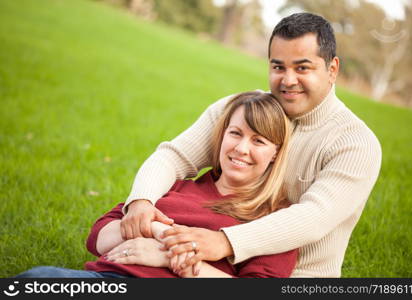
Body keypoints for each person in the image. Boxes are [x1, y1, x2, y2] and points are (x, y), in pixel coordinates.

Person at [120, 13, 382, 277]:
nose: (288, 80)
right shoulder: (239, 110)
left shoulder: (356, 143)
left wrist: (224, 241)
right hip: (206, 270)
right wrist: (142, 199)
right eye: (278, 67)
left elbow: (314, 217)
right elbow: (173, 157)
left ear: (332, 69)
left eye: (302, 68)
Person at [16, 91, 298, 278]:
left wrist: (168, 258)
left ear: (275, 153)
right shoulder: (176, 187)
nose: (241, 148)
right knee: (38, 279)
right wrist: (159, 229)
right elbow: (99, 236)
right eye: (235, 133)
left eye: (258, 141)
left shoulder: (274, 221)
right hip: (106, 279)